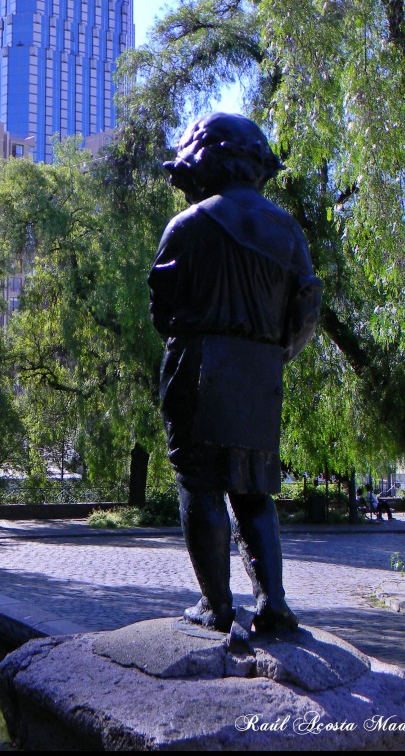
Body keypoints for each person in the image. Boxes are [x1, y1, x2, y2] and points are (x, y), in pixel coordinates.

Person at [148, 113, 321, 633]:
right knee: (253, 488)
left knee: (200, 485)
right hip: (260, 375)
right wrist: (275, 353)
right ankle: (273, 602)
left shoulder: (190, 225)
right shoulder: (288, 231)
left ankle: (217, 605)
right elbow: (306, 308)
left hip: (199, 367)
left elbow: (163, 310)